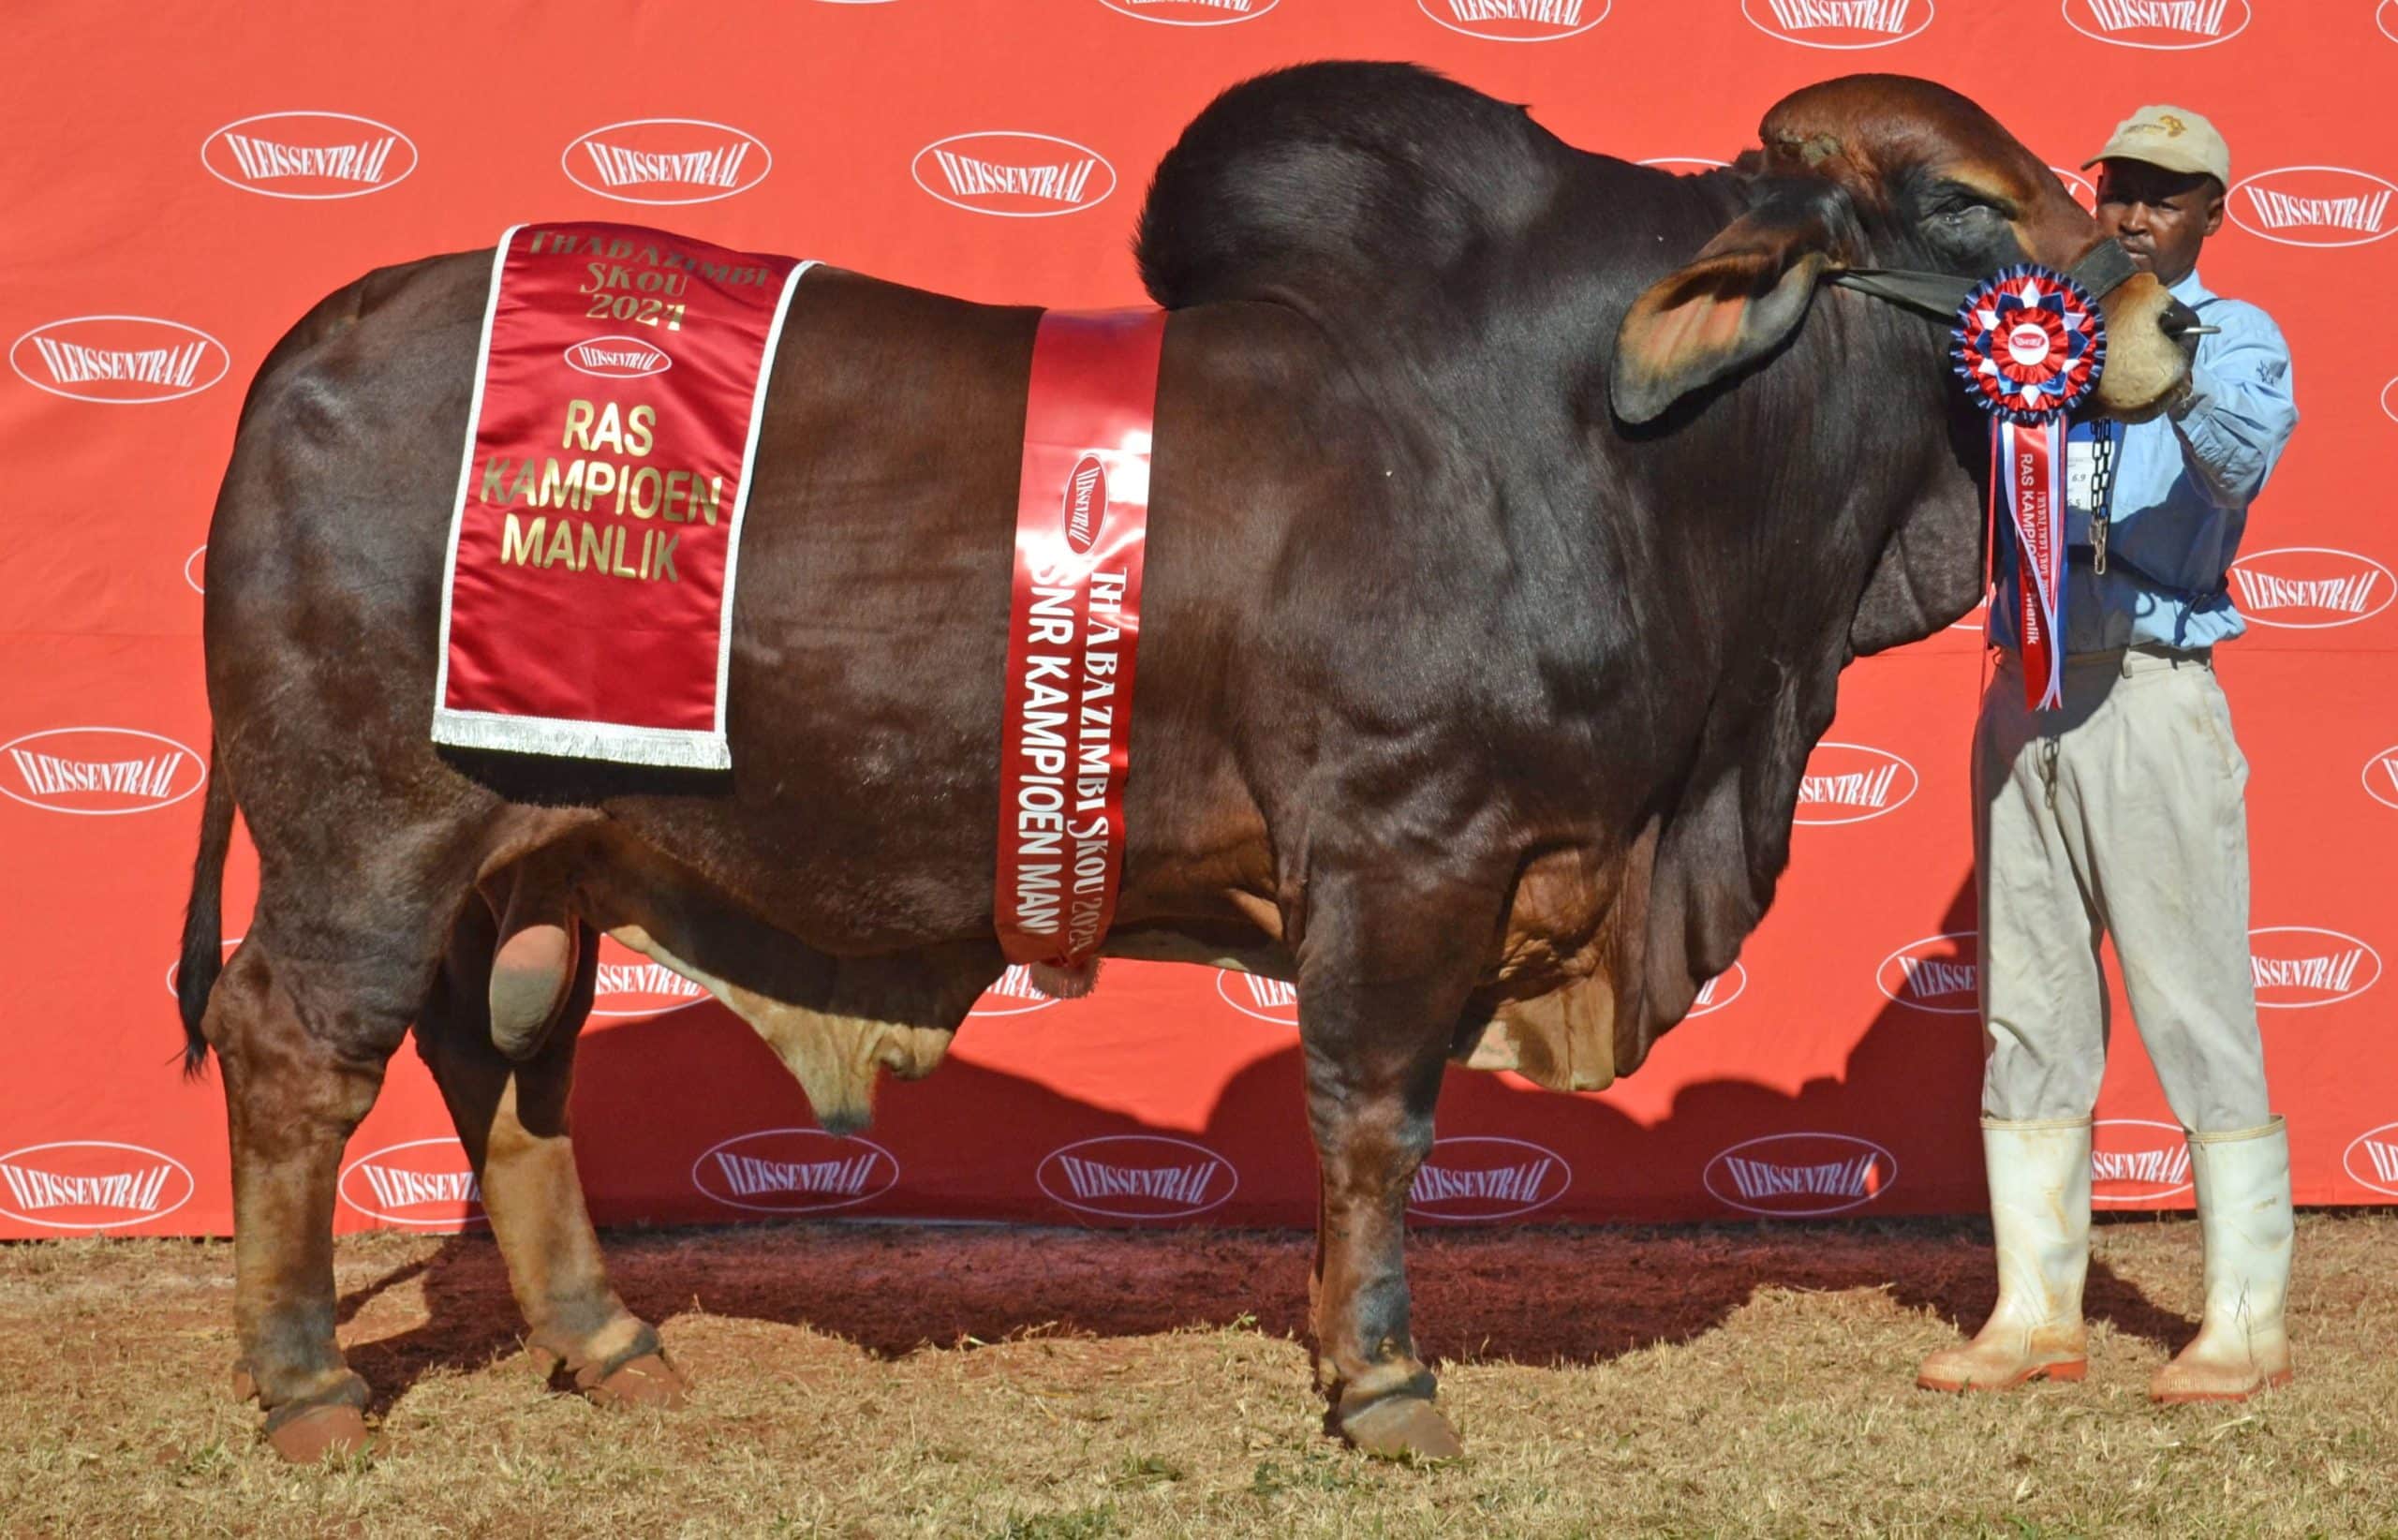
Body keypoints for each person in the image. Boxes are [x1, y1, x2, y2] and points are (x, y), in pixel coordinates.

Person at [1917, 106, 2301, 1401]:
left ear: (2212, 214)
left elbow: (2241, 466)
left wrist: (2168, 361)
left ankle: (2244, 1318)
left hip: (2153, 688)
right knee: (2028, 1006)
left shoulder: (2236, 332)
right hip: (2022, 683)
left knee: (2194, 1003)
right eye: (2120, 188)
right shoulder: (2036, 331)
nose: (2134, 213)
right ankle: (2036, 1313)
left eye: (2166, 195)